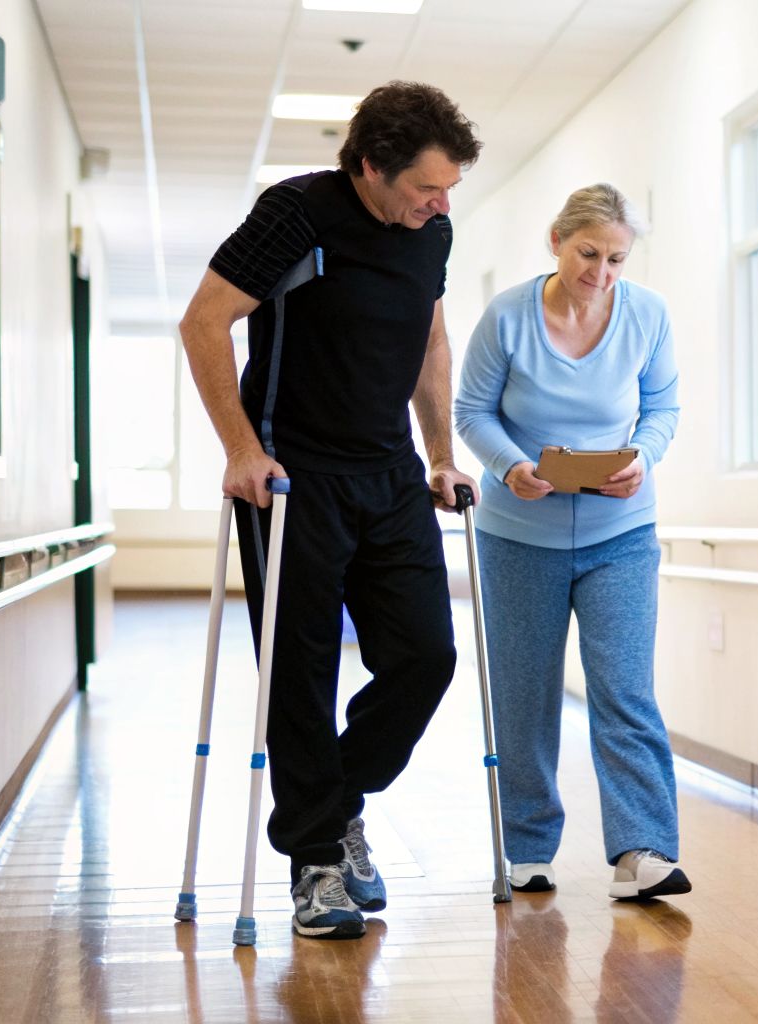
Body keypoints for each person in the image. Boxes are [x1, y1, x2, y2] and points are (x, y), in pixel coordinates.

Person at [179, 81, 482, 940]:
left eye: (450, 187)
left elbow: (429, 340)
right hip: (292, 475)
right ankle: (316, 862)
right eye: (428, 185)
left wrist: (441, 458)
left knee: (426, 655)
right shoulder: (295, 212)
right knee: (302, 676)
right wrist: (242, 450)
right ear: (371, 167)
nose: (442, 201)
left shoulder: (434, 232)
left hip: (388, 475)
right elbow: (205, 322)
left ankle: (339, 800)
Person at [453, 183, 689, 900]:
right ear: (557, 239)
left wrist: (643, 457)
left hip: (622, 530)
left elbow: (662, 407)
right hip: (520, 531)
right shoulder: (508, 318)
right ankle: (528, 847)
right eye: (589, 253)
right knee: (524, 693)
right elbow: (471, 411)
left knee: (624, 688)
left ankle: (643, 850)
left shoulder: (647, 314)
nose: (602, 272)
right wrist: (511, 466)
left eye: (617, 258)